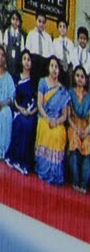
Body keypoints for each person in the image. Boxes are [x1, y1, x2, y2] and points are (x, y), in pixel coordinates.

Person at [36, 57, 71, 185]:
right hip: (44, 117)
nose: (54, 69)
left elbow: (64, 116)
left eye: (56, 67)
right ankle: (43, 169)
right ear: (48, 68)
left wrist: (56, 121)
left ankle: (54, 173)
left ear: (59, 71)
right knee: (46, 130)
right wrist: (47, 118)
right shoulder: (42, 82)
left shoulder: (63, 91)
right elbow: (39, 105)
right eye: (52, 66)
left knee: (58, 134)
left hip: (57, 121)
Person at [6, 51, 40, 174]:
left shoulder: (35, 80)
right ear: (21, 61)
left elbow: (38, 101)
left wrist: (31, 112)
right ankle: (13, 158)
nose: (27, 62)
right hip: (18, 109)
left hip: (31, 112)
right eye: (24, 59)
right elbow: (13, 98)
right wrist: (21, 109)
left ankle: (23, 162)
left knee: (29, 125)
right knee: (20, 122)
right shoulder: (16, 78)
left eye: (29, 59)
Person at [66, 64, 90, 194]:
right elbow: (68, 117)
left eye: (82, 76)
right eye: (77, 76)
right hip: (73, 125)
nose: (80, 79)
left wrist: (86, 131)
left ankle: (83, 183)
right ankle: (75, 180)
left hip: (87, 128)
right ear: (74, 78)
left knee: (88, 145)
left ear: (86, 79)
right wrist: (76, 129)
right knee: (74, 142)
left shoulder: (89, 97)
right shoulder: (69, 93)